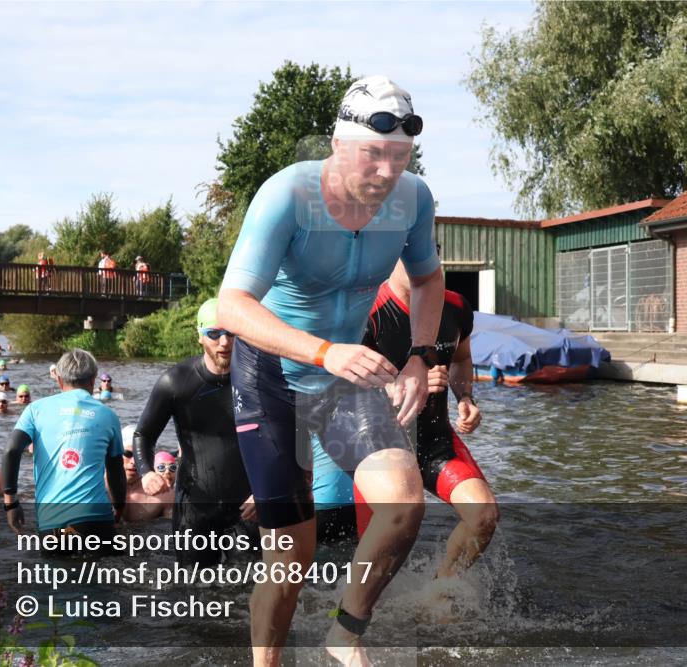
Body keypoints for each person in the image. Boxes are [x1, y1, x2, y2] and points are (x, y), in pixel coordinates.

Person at [216, 75, 442, 666]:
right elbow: (231, 307)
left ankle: (345, 635)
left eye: (400, 157)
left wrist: (420, 354)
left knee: (404, 505)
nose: (387, 172)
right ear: (338, 146)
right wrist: (322, 351)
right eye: (374, 155)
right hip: (273, 375)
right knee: (292, 556)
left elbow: (427, 278)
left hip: (344, 375)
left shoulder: (414, 199)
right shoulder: (287, 195)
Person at [358, 259, 498, 578]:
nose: (417, 263)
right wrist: (400, 386)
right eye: (406, 255)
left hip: (434, 440)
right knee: (379, 551)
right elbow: (342, 388)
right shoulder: (367, 309)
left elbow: (461, 360)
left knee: (483, 516)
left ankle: (441, 590)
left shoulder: (456, 306)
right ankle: (349, 613)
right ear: (388, 255)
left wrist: (465, 397)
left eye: (426, 252)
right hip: (377, 446)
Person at [134, 298, 258, 567]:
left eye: (231, 333)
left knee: (249, 590)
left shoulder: (256, 380)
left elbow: (282, 437)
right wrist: (146, 473)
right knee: (193, 591)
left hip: (249, 505)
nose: (224, 342)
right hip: (194, 507)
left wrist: (266, 490)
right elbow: (143, 435)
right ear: (200, 337)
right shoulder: (176, 382)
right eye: (214, 334)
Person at [1, 349, 126, 557]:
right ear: (94, 379)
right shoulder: (108, 414)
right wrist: (119, 508)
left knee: (58, 583)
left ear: (58, 379)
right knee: (107, 582)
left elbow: (11, 451)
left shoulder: (35, 409)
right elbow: (115, 470)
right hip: (96, 519)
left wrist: (11, 503)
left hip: (53, 522)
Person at [112, 425, 173, 522]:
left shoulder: (164, 494)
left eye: (138, 456)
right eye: (128, 454)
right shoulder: (98, 485)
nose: (133, 461)